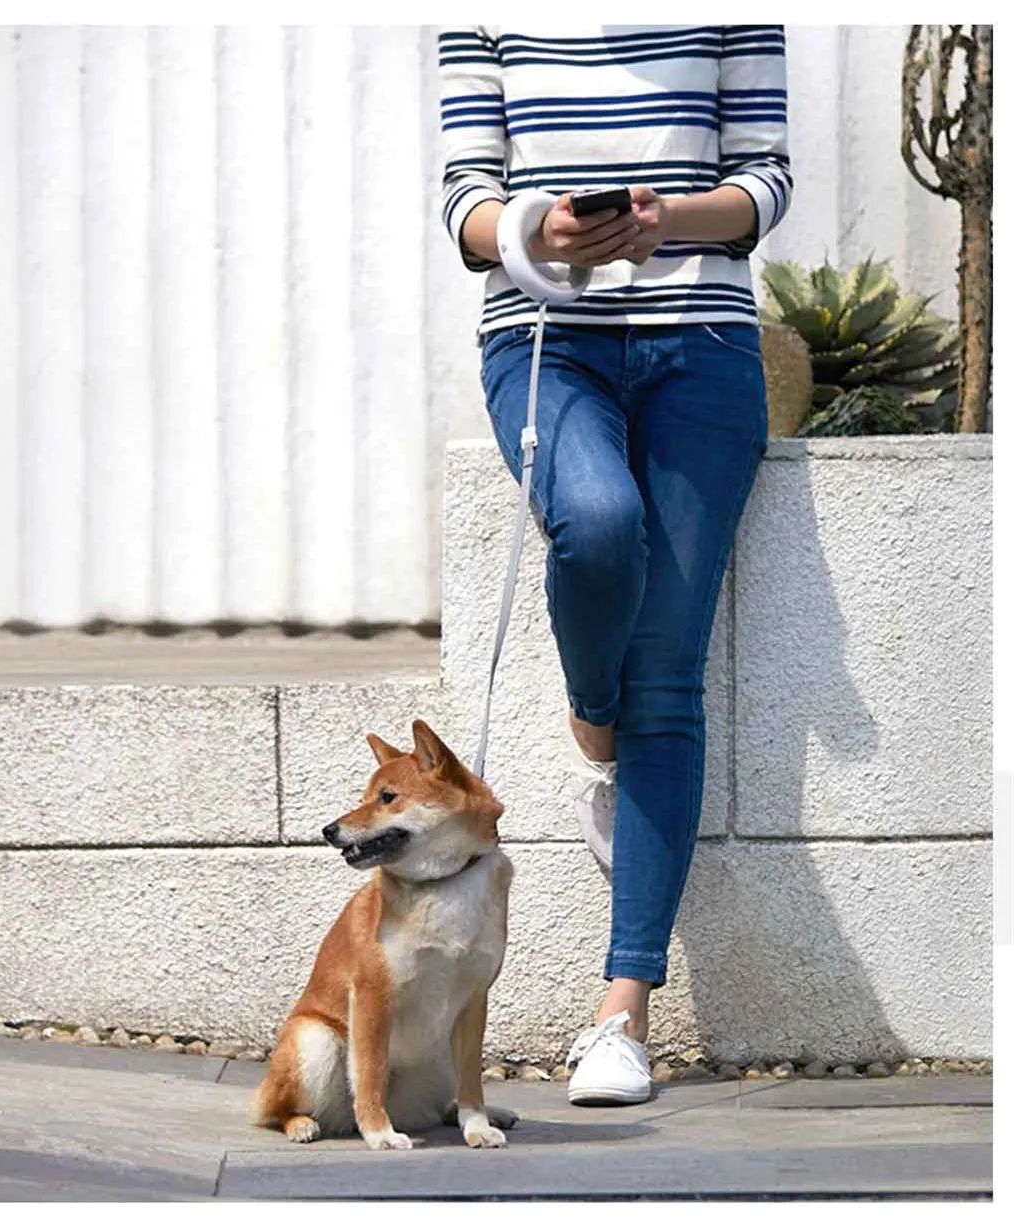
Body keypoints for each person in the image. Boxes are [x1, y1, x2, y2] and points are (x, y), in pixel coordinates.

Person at [438, 25, 792, 1104]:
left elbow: (764, 182)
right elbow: (464, 202)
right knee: (594, 522)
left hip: (704, 346)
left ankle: (621, 1015)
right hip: (546, 337)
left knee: (669, 681)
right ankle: (595, 717)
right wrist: (537, 226)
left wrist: (663, 221)